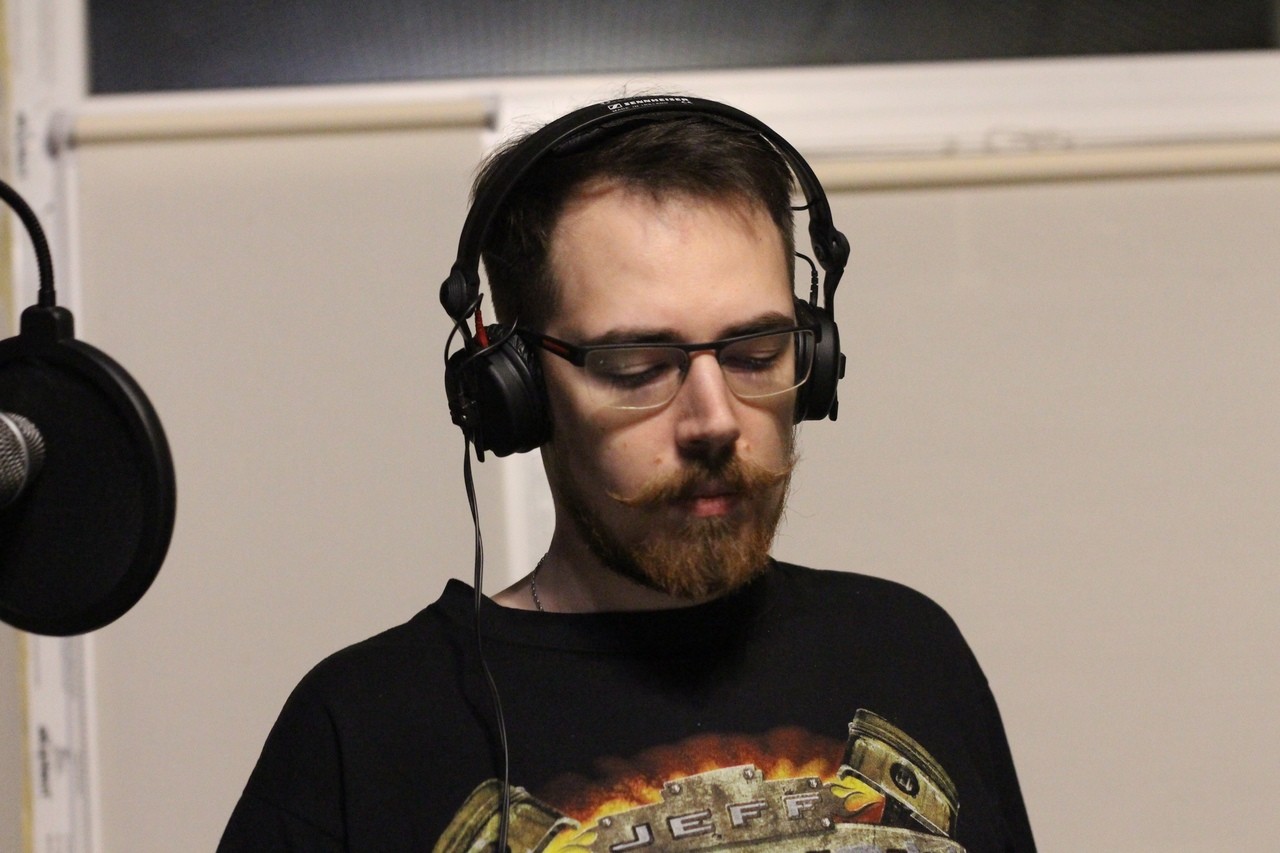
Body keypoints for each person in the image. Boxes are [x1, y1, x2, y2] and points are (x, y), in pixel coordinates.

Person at [219, 96, 1036, 852]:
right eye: (638, 366)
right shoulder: (362, 728)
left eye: (757, 353)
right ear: (515, 390)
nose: (715, 420)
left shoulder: (911, 652)